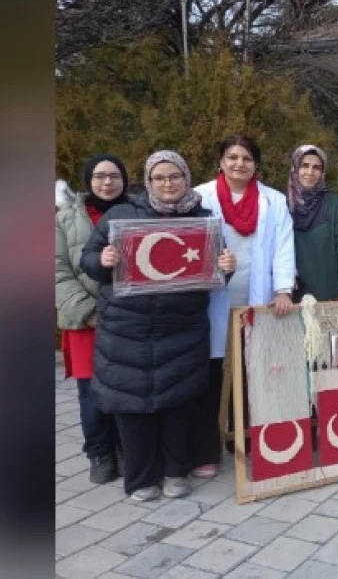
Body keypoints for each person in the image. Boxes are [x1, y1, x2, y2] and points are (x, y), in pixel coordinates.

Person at [80, 150, 237, 501]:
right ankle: (141, 479)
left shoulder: (204, 219)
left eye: (175, 176)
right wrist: (102, 260)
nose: (168, 184)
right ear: (148, 181)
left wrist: (227, 265)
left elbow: (215, 272)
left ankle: (175, 473)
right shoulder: (121, 215)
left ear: (186, 178)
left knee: (178, 405)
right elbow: (87, 258)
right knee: (132, 410)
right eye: (160, 178)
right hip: (126, 331)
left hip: (181, 328)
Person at [192, 135, 295, 478]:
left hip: (258, 295)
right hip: (212, 298)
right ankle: (206, 447)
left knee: (254, 370)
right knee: (211, 374)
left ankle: (250, 437)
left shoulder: (273, 200)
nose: (239, 164)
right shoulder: (200, 197)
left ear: (256, 165)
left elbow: (283, 246)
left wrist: (283, 289)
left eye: (247, 158)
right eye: (232, 157)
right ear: (221, 162)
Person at [56, 153, 127, 484]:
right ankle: (100, 452)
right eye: (100, 176)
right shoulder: (65, 219)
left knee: (128, 385)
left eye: (114, 176)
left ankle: (128, 447)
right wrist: (86, 311)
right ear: (89, 181)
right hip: (88, 319)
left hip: (129, 318)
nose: (108, 182)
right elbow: (56, 271)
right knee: (92, 391)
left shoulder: (136, 212)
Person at [289, 145, 338, 306]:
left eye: (316, 168)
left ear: (322, 173)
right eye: (304, 166)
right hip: (291, 297)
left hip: (330, 293)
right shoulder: (283, 206)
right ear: (295, 169)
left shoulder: (335, 205)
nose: (310, 172)